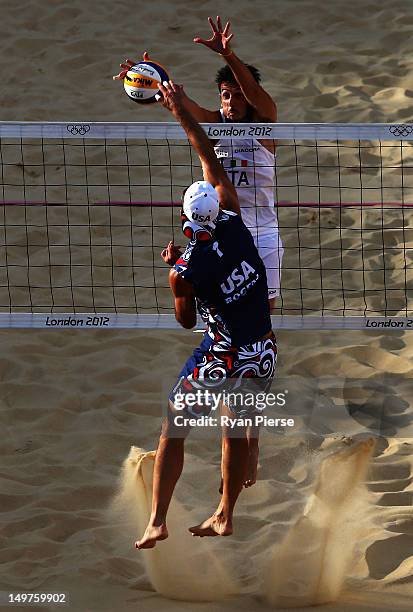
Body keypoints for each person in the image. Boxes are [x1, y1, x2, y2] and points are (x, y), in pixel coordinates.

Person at [135, 80, 277, 549]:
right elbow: (211, 160)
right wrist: (183, 114)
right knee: (235, 431)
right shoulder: (236, 223)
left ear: (185, 217)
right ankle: (225, 513)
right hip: (263, 352)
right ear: (219, 205)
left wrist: (176, 274)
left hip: (221, 355)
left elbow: (184, 320)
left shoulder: (186, 270)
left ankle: (157, 520)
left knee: (174, 427)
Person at [113, 16, 284, 312]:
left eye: (238, 96)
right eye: (225, 95)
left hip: (264, 235)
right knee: (218, 309)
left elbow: (256, 94)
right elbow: (179, 104)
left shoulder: (264, 124)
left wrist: (226, 54)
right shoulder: (214, 124)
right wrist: (150, 80)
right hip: (223, 232)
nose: (231, 103)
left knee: (262, 314)